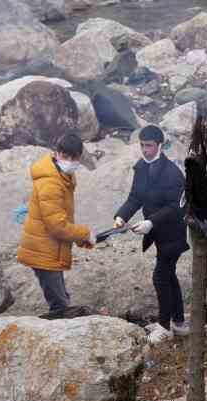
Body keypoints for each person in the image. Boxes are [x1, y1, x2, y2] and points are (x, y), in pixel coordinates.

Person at [112, 124, 189, 344]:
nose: (145, 150)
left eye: (149, 146)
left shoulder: (172, 174)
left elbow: (176, 207)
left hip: (173, 232)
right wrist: (122, 216)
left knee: (161, 276)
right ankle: (179, 321)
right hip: (156, 230)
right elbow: (135, 197)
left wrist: (150, 222)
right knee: (168, 275)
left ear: (160, 145)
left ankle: (164, 326)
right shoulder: (141, 168)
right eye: (142, 145)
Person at [16, 132, 94, 315]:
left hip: (50, 249)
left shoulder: (61, 176)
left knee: (61, 298)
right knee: (60, 306)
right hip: (42, 251)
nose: (69, 161)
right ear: (57, 153)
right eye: (65, 156)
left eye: (73, 158)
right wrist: (84, 234)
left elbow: (60, 218)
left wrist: (82, 239)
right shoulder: (51, 182)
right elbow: (56, 225)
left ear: (79, 158)